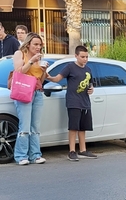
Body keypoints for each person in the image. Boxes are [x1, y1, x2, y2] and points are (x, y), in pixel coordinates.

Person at [47, 45, 97, 161]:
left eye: (86, 57)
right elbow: (57, 79)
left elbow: (91, 84)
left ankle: (83, 150)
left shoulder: (88, 69)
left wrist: (92, 89)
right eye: (82, 57)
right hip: (73, 101)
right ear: (76, 56)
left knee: (83, 127)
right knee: (73, 127)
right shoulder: (70, 67)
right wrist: (48, 77)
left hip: (85, 102)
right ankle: (72, 151)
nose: (85, 59)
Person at [12, 33, 49, 165]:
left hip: (37, 92)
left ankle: (35, 155)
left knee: (35, 127)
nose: (38, 47)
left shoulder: (40, 58)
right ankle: (21, 156)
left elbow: (40, 80)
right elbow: (19, 71)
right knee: (25, 126)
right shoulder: (19, 54)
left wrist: (44, 71)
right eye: (35, 44)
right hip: (24, 92)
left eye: (40, 45)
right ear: (28, 44)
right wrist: (32, 60)